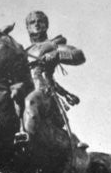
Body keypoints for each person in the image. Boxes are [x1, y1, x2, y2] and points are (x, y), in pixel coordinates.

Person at [14, 10, 85, 144]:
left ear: (46, 25)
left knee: (31, 101)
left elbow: (79, 55)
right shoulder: (25, 52)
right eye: (32, 22)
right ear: (27, 28)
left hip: (44, 93)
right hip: (25, 89)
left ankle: (28, 140)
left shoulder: (53, 44)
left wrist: (57, 54)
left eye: (40, 21)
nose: (36, 24)